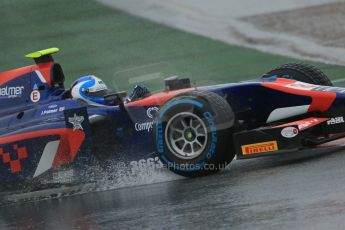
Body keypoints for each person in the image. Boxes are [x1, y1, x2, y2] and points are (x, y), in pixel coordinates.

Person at [70, 75, 150, 106]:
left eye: (104, 92)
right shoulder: (89, 114)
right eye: (98, 93)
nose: (104, 95)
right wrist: (132, 97)